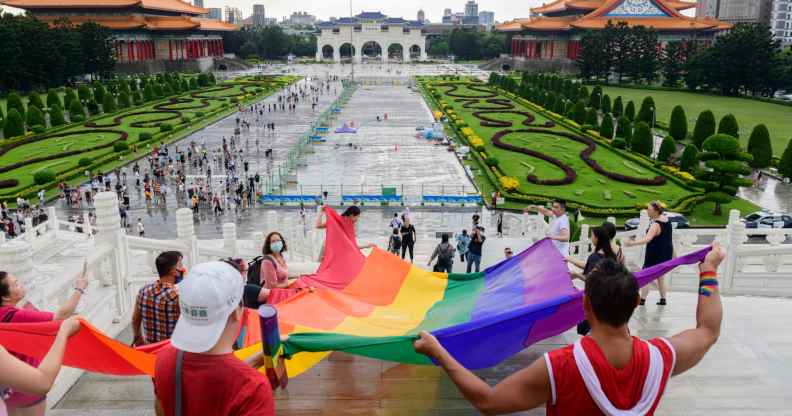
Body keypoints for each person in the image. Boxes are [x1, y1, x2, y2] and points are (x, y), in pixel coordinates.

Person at [413, 244, 726, 416]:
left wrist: (439, 351)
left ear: (585, 305)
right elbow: (708, 330)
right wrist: (708, 269)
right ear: (634, 303)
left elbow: (489, 402)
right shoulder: (661, 359)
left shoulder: (560, 367)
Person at [153, 261, 274, 416]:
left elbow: (161, 407)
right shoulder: (254, 388)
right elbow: (222, 374)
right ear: (237, 312)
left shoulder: (165, 357)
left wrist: (257, 359)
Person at [0, 264, 89, 415]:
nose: (20, 284)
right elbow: (61, 316)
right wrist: (79, 289)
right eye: (15, 284)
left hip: (8, 387)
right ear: (5, 296)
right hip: (27, 384)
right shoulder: (15, 316)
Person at [0, 317, 82, 416]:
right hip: (27, 391)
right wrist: (63, 332)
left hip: (14, 390)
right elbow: (42, 383)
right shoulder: (11, 314)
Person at [624, 201, 674, 306]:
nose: (647, 211)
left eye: (649, 209)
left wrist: (632, 243)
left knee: (647, 275)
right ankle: (663, 299)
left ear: (656, 211)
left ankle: (642, 299)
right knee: (661, 276)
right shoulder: (667, 221)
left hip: (655, 254)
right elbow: (669, 238)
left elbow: (647, 239)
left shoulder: (656, 224)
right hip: (665, 253)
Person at [131, 251, 184, 346]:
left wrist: (138, 338)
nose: (183, 268)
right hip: (171, 350)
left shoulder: (143, 291)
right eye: (180, 264)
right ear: (173, 270)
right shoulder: (178, 295)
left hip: (150, 347)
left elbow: (135, 319)